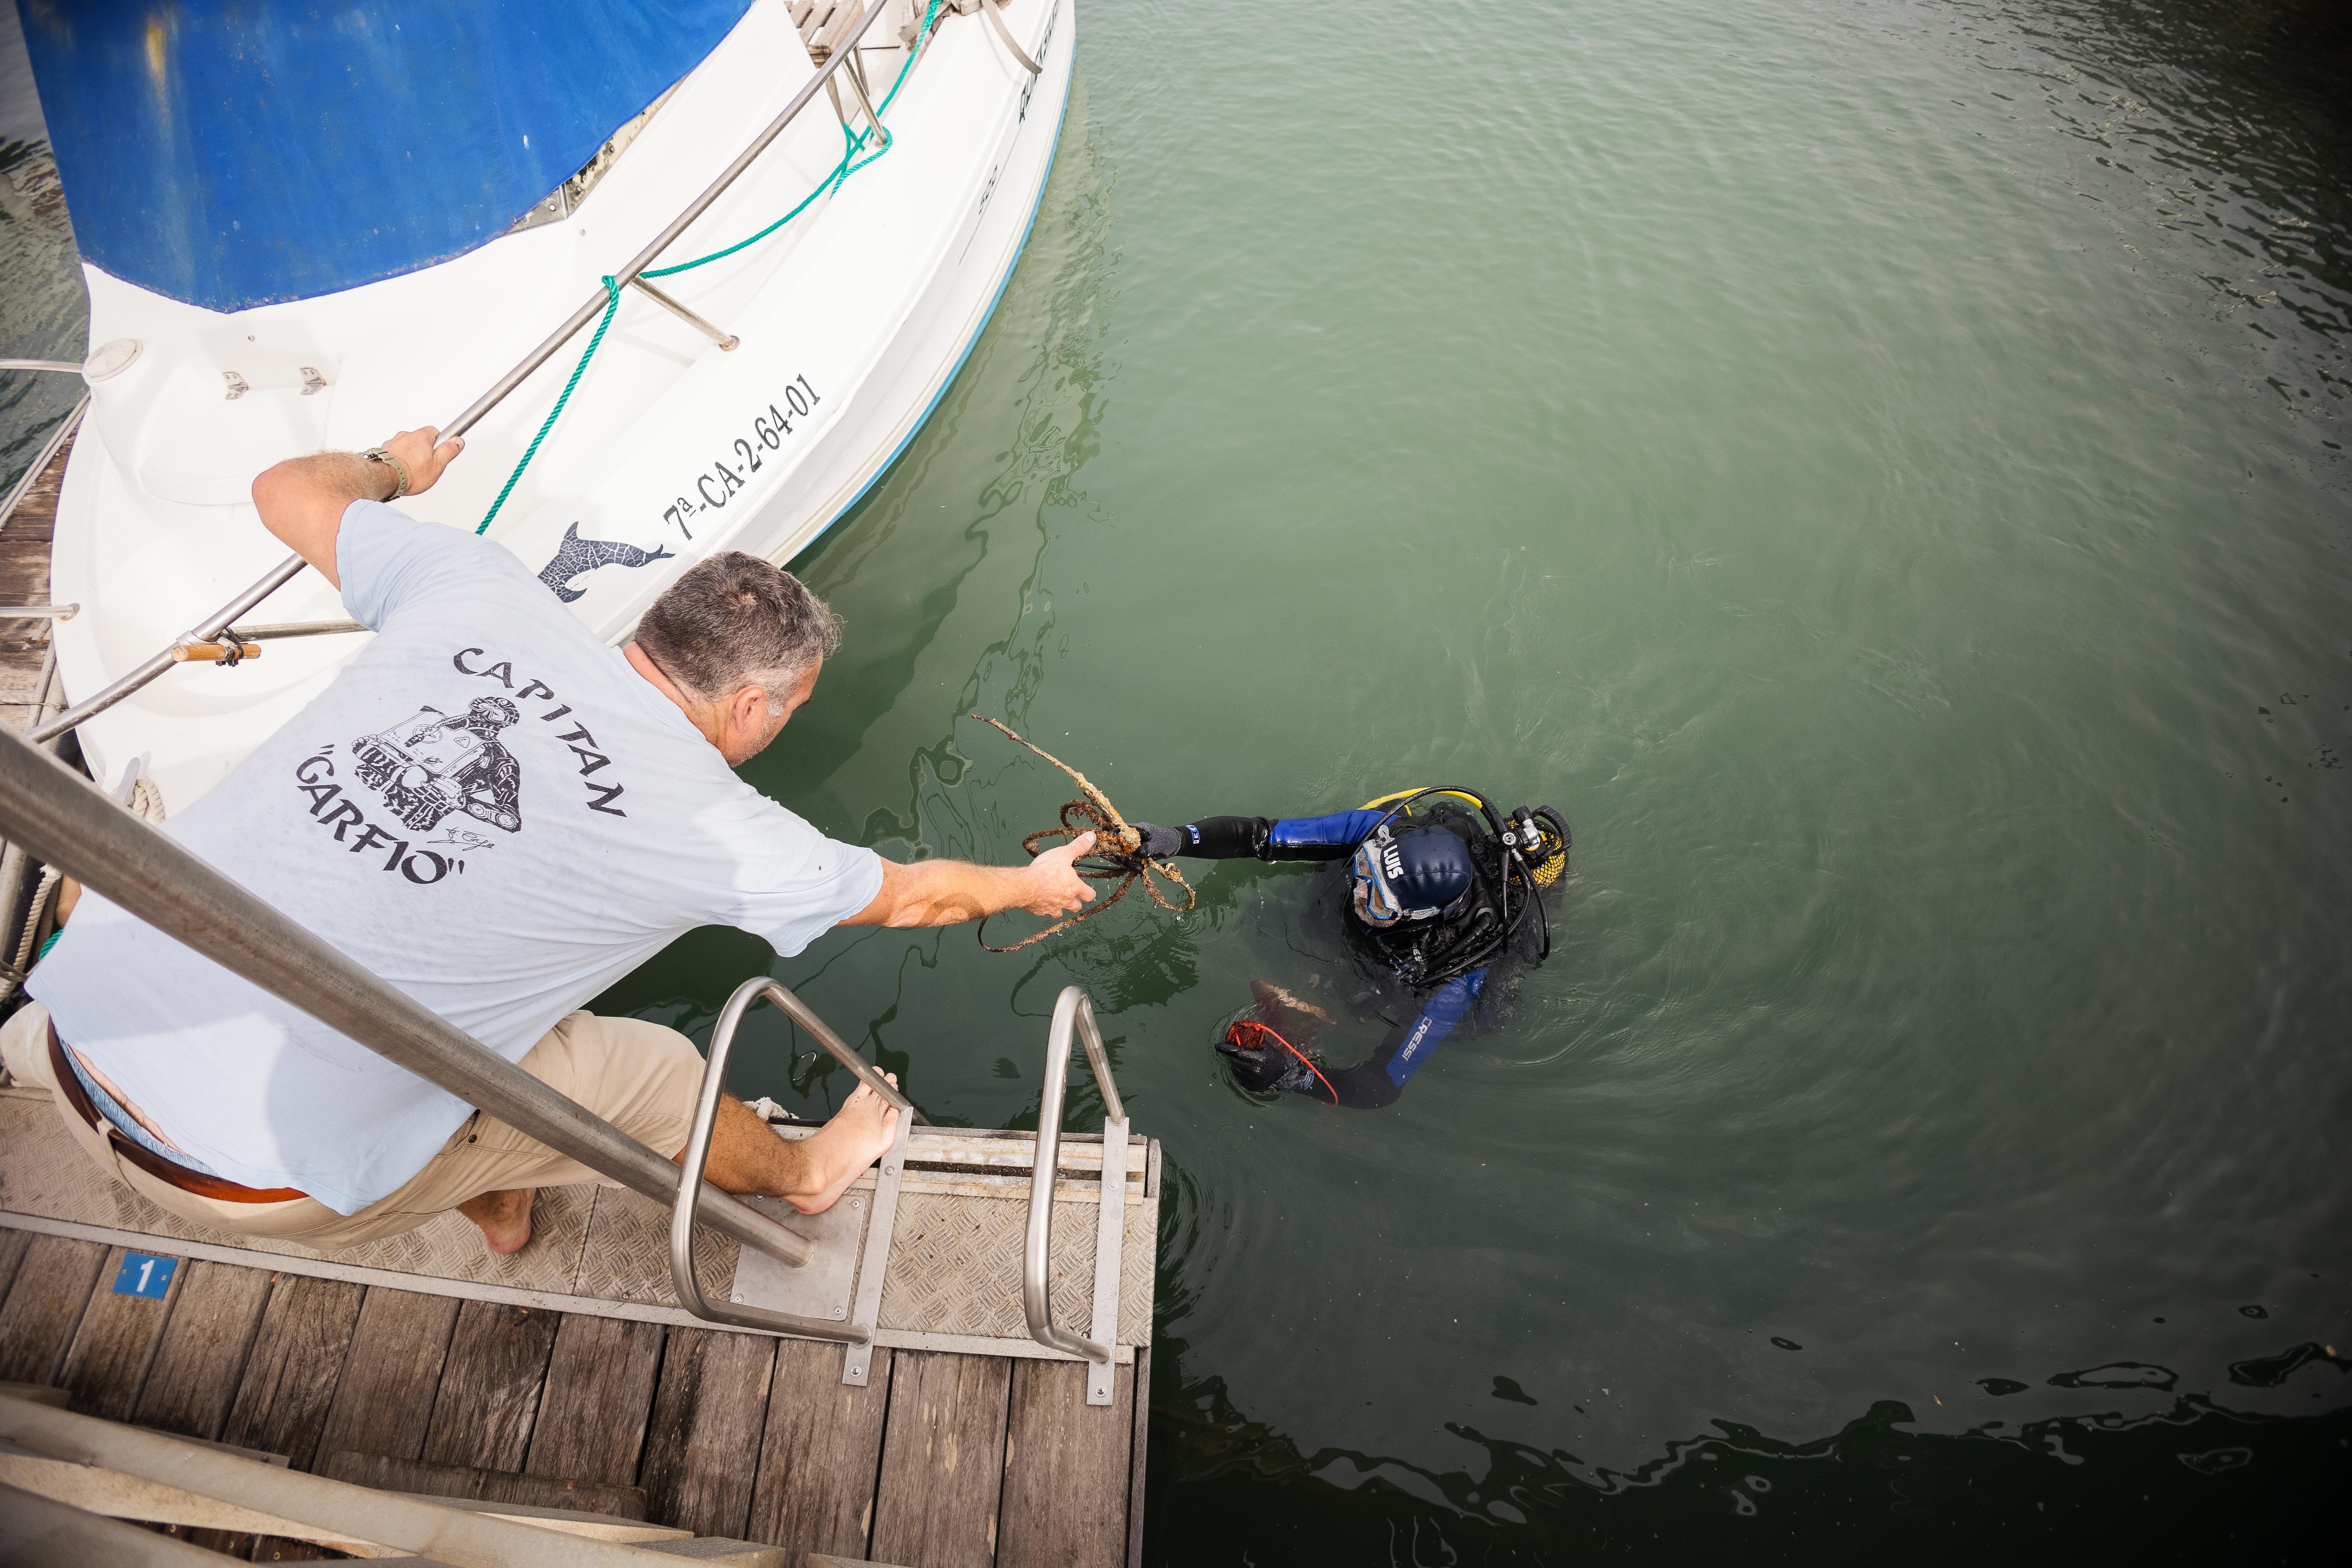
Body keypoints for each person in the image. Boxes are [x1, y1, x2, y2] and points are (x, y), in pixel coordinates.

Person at [0, 426, 1098, 1256]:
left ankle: (502, 1201)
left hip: (64, 1036)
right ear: (756, 711)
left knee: (483, 991)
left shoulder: (475, 586)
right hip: (237, 1176)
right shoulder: (722, 828)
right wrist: (1027, 882)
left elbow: (284, 490)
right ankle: (809, 1172)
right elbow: (912, 896)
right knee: (660, 1072)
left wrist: (397, 463)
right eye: (794, 708)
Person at [1127, 790, 1569, 1109]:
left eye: (1376, 897)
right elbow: (1260, 836)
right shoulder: (1378, 832)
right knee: (1318, 903)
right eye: (1364, 870)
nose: (1359, 891)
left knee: (1474, 1022)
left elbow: (1381, 1085)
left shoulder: (1456, 978)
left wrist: (1292, 1077)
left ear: (1418, 916)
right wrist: (1177, 840)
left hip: (1431, 964)